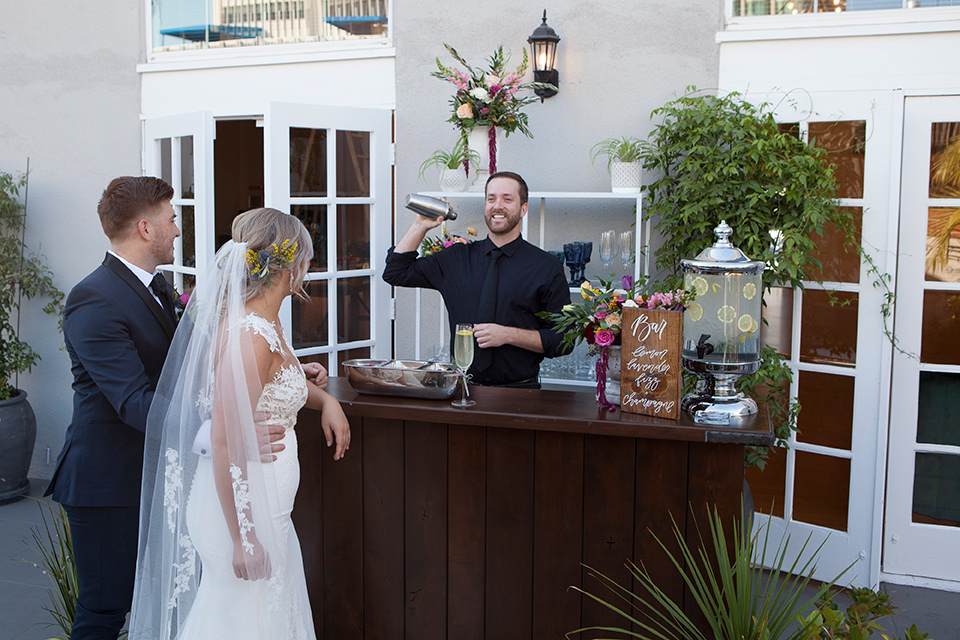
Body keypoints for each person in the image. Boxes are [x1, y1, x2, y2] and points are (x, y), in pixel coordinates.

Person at [46, 177, 326, 640]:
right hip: (109, 483)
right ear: (144, 228)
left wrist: (288, 378)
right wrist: (223, 431)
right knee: (104, 610)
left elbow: (203, 368)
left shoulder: (160, 288)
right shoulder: (93, 297)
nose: (179, 230)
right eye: (172, 220)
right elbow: (132, 399)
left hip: (171, 472)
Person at [130, 208, 350, 640]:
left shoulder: (267, 322)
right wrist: (244, 539)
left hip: (268, 509)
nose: (308, 266)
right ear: (290, 264)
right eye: (306, 256)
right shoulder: (250, 333)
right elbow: (225, 440)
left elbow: (265, 393)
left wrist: (324, 399)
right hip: (243, 514)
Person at [382, 171, 570, 387]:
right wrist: (421, 225)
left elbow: (563, 341)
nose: (497, 206)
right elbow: (395, 272)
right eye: (491, 199)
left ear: (523, 209)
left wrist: (507, 335)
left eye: (507, 199)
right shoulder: (456, 258)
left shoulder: (546, 267)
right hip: (461, 389)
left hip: (521, 393)